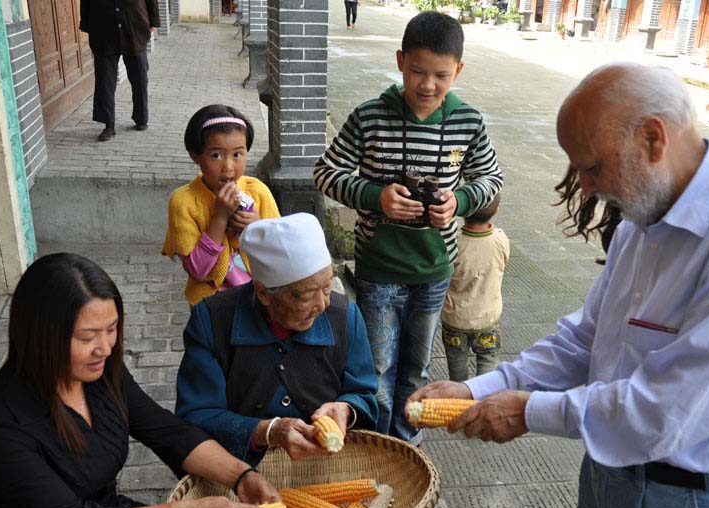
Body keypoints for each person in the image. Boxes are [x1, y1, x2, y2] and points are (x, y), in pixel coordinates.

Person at [407, 63, 709, 508]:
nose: (585, 186)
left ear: (653, 138)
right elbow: (585, 341)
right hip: (611, 474)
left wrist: (524, 409)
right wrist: (478, 388)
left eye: (593, 166)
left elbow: (670, 408)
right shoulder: (640, 222)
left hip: (695, 506)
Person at [0, 253, 282, 508]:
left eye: (111, 330)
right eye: (87, 338)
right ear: (39, 335)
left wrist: (242, 476)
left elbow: (166, 431)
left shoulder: (100, 375)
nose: (105, 348)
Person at [175, 213, 415, 508]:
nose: (321, 303)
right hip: (241, 479)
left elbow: (365, 393)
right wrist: (266, 431)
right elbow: (194, 416)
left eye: (326, 286)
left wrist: (345, 410)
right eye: (303, 294)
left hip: (325, 477)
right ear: (263, 292)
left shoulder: (342, 314)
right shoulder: (212, 320)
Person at [313, 11, 504, 443]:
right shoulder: (370, 116)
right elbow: (326, 171)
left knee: (417, 368)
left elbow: (491, 178)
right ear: (400, 61)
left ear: (458, 70)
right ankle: (377, 442)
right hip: (380, 267)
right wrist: (374, 196)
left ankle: (407, 443)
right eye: (418, 71)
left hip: (435, 271)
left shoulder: (467, 122)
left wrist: (460, 201)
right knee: (377, 366)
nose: (428, 85)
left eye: (441, 75)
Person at [162, 105, 281, 306]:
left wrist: (259, 227)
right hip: (212, 306)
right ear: (195, 155)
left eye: (237, 155)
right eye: (216, 155)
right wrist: (219, 217)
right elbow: (198, 271)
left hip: (260, 301)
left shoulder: (257, 191)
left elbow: (281, 251)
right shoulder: (183, 201)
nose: (228, 167)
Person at [440, 194, 509, 382]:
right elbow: (504, 262)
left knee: (456, 366)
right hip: (487, 318)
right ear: (496, 211)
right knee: (488, 361)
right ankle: (483, 396)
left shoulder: (452, 242)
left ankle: (460, 395)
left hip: (455, 319)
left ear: (462, 212)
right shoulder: (500, 240)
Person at [79, 0, 159, 141]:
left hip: (134, 29)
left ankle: (141, 118)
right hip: (104, 32)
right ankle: (108, 124)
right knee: (105, 82)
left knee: (139, 79)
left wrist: (154, 22)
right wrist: (86, 23)